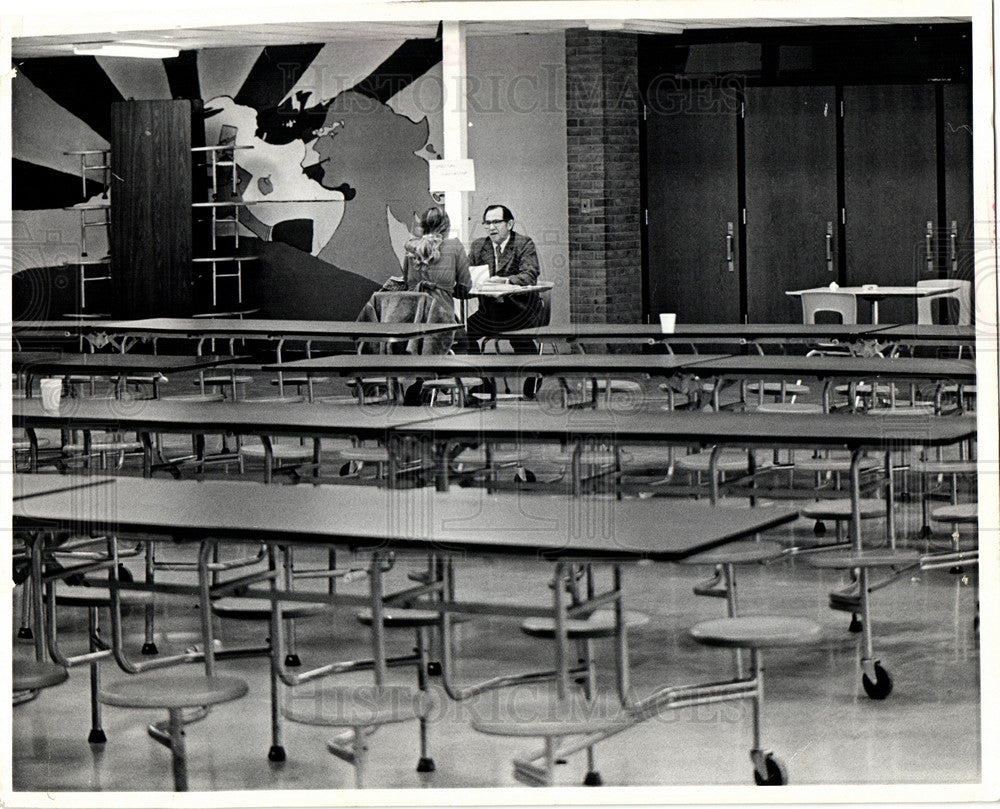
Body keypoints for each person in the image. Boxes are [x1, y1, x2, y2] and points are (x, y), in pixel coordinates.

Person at [399, 205, 472, 404]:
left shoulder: (410, 249)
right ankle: (467, 385)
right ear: (446, 227)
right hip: (442, 316)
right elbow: (465, 286)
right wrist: (448, 288)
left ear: (422, 227)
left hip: (415, 318)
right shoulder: (455, 246)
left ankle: (424, 380)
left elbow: (407, 282)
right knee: (467, 341)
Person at [465, 205, 543, 355]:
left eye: (496, 222)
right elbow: (469, 276)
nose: (491, 227)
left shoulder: (523, 243)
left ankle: (533, 376)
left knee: (520, 338)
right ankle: (479, 375)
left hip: (520, 311)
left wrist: (506, 281)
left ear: (509, 224)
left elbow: (530, 274)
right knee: (463, 334)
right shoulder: (478, 246)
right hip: (489, 313)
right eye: (487, 223)